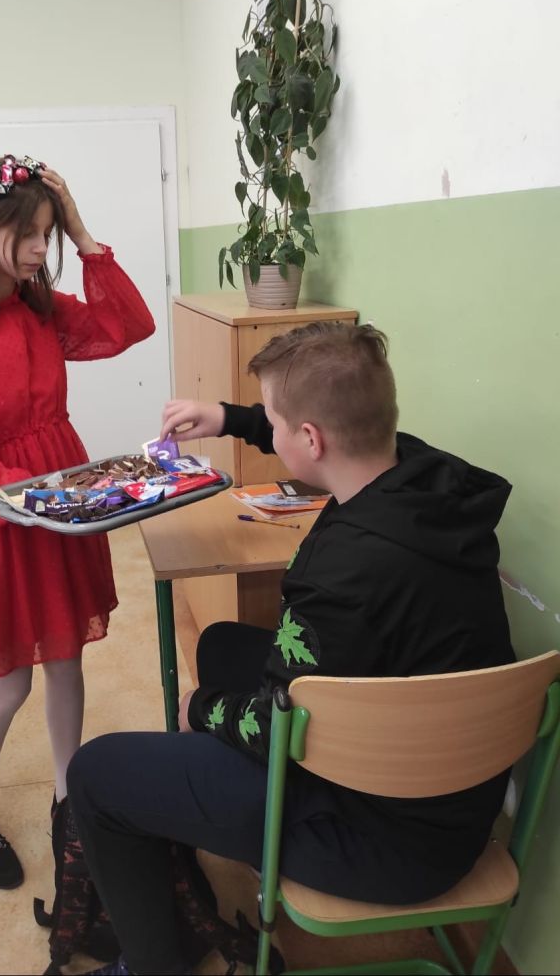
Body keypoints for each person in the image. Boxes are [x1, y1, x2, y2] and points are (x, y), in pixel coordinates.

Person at [66, 321, 516, 976]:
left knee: (97, 774)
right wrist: (229, 418)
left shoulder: (342, 575)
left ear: (310, 439)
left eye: (273, 422)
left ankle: (151, 965)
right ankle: (196, 810)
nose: (269, 432)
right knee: (221, 644)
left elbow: (273, 726)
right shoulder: (428, 476)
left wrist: (204, 710)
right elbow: (316, 426)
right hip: (453, 801)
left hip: (383, 840)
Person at [0, 153, 155, 890]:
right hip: (9, 517)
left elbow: (129, 325)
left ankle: (67, 795)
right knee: (9, 684)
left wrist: (82, 233)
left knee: (67, 660)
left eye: (45, 233)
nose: (36, 249)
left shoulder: (41, 307)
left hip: (59, 503)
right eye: (25, 234)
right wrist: (59, 505)